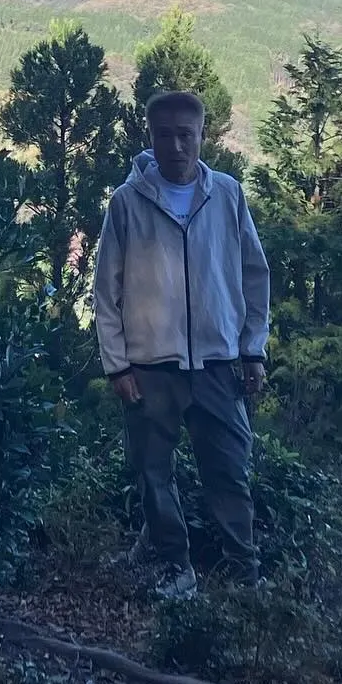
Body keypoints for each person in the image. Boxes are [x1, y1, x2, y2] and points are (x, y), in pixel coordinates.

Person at [93, 89, 271, 599]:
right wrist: (117, 365)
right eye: (164, 134)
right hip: (151, 366)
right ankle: (176, 565)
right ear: (150, 136)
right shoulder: (128, 203)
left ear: (202, 135)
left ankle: (244, 573)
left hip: (218, 362)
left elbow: (254, 274)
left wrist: (252, 346)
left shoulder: (228, 195)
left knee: (230, 471)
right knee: (154, 473)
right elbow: (107, 289)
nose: (175, 145)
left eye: (184, 134)